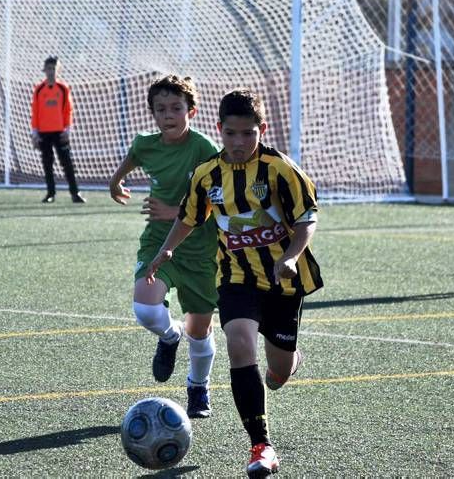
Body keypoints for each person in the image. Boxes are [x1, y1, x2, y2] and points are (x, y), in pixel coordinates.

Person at [146, 89, 323, 477]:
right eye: (231, 134)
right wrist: (166, 250)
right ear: (219, 130)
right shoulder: (207, 174)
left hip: (283, 281)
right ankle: (261, 446)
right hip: (235, 276)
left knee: (277, 371)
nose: (239, 143)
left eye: (248, 134)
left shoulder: (281, 170)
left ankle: (289, 363)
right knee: (239, 343)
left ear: (262, 129)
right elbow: (190, 216)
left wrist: (290, 256)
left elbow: (307, 219)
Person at [109, 75, 220, 419]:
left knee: (199, 330)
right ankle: (170, 338)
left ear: (192, 111)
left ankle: (198, 387)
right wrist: (116, 182)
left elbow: (222, 200)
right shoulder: (146, 144)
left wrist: (176, 211)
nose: (169, 114)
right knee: (145, 309)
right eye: (161, 109)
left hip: (200, 247)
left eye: (176, 108)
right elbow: (129, 161)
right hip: (158, 241)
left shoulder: (206, 150)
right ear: (153, 114)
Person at [31, 56, 85, 203]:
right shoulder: (39, 89)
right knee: (47, 163)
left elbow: (68, 110)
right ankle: (50, 193)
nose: (51, 72)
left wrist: (68, 130)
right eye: (48, 69)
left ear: (58, 70)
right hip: (44, 132)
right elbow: (35, 112)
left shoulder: (63, 88)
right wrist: (34, 132)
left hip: (60, 132)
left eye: (53, 69)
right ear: (44, 70)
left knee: (67, 163)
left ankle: (75, 193)